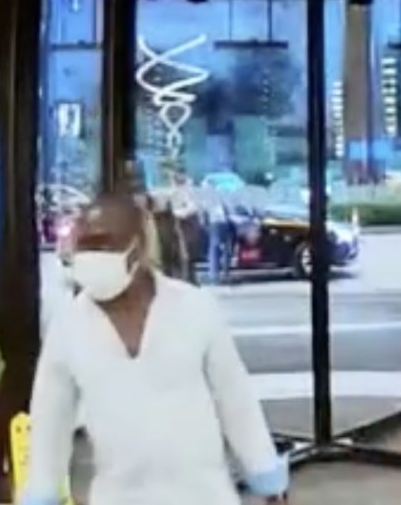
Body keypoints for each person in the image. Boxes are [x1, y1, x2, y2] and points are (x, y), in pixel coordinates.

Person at [22, 190, 288, 505]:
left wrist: (266, 477)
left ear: (137, 247)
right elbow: (50, 420)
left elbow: (235, 398)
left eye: (103, 244)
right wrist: (41, 492)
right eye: (85, 245)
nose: (91, 256)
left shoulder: (194, 307)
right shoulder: (68, 325)